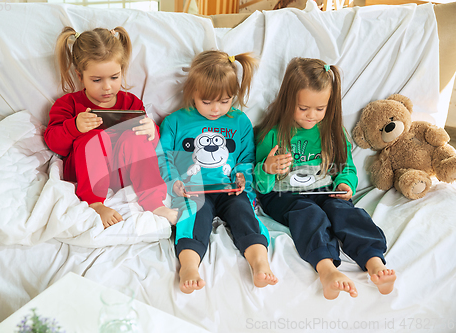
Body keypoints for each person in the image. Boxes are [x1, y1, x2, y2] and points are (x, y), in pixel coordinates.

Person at [254, 57, 396, 299]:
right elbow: (259, 185)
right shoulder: (273, 134)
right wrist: (267, 169)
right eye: (303, 108)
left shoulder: (333, 132)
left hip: (325, 191)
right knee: (310, 215)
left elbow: (347, 168)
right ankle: (327, 270)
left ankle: (374, 263)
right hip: (285, 196)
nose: (312, 116)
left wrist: (344, 184)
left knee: (346, 212)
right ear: (289, 101)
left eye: (320, 109)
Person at [157, 50, 278, 294]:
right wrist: (174, 182)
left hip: (229, 189)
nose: (216, 109)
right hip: (193, 190)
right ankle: (189, 267)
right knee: (192, 218)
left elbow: (246, 158)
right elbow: (162, 156)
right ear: (193, 93)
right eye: (207, 101)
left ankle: (259, 262)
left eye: (225, 101)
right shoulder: (175, 121)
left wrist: (243, 176)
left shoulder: (240, 121)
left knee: (244, 214)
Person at [44, 26, 178, 228]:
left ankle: (153, 202)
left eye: (114, 77)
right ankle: (95, 203)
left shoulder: (131, 103)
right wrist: (74, 127)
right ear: (80, 76)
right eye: (97, 80)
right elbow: (54, 143)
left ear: (122, 71)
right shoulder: (68, 104)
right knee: (95, 138)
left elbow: (149, 149)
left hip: (124, 172)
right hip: (86, 172)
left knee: (137, 136)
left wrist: (152, 131)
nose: (107, 87)